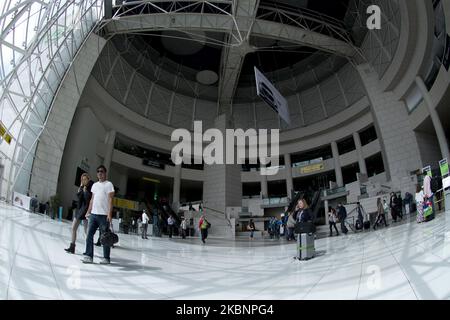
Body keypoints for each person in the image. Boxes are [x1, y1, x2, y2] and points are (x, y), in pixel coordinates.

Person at [82, 165, 115, 265]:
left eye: (101, 171)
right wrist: (88, 211)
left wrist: (109, 214)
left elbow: (110, 200)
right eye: (98, 171)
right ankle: (89, 256)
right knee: (89, 235)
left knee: (105, 237)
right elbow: (92, 199)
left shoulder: (109, 184)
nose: (99, 173)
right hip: (93, 215)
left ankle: (106, 258)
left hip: (103, 216)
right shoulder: (95, 185)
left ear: (105, 173)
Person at [65, 173, 93, 254]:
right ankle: (72, 247)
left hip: (85, 210)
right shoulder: (82, 187)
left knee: (85, 231)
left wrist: (85, 191)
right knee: (76, 228)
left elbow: (89, 200)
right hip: (80, 210)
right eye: (82, 179)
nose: (84, 181)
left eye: (85, 179)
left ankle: (87, 250)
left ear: (88, 179)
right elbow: (78, 197)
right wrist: (81, 188)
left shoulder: (91, 187)